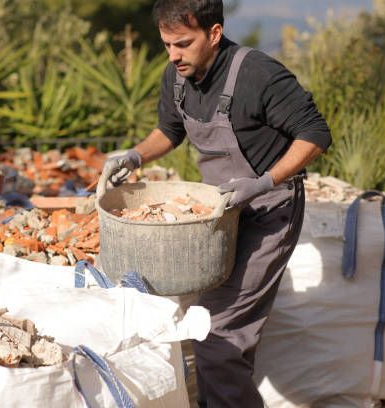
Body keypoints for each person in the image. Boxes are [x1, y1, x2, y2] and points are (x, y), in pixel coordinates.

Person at [103, 0, 332, 406]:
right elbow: (169, 130)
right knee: (210, 330)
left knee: (216, 334)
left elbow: (314, 134)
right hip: (216, 216)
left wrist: (261, 183)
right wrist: (134, 155)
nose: (173, 55)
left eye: (183, 44)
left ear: (214, 33)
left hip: (268, 214)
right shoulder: (177, 77)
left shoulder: (258, 74)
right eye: (167, 45)